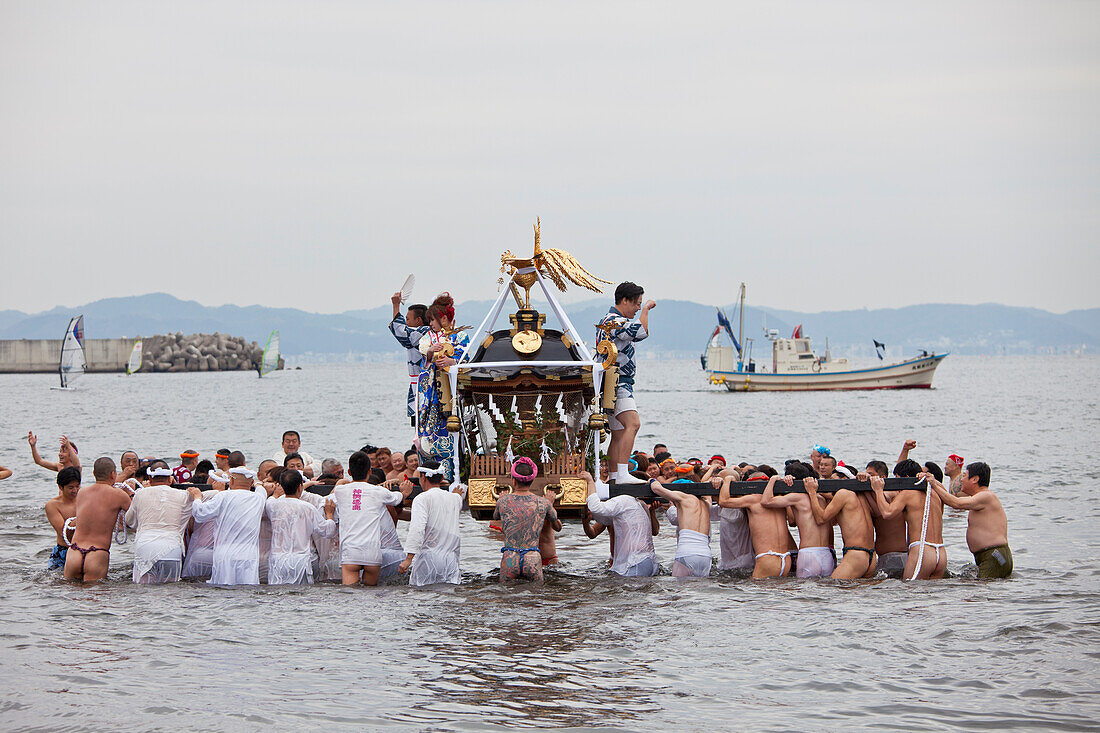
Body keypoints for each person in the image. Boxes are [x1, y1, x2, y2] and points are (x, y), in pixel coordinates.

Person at [597, 282, 656, 484]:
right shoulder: (613, 321)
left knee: (619, 432)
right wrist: (648, 309)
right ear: (625, 300)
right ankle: (622, 473)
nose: (638, 308)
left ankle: (614, 475)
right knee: (633, 423)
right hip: (618, 383)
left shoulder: (609, 320)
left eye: (641, 305)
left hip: (611, 383)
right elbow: (641, 331)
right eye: (637, 303)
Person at [333, 451, 411, 586]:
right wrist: (404, 492)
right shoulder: (379, 492)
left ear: (349, 472)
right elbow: (397, 499)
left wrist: (341, 481)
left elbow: (336, 489)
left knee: (350, 593)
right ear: (370, 471)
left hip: (351, 552)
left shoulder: (341, 491)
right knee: (371, 594)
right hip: (372, 552)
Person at [926, 462, 1012, 579]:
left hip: (995, 555)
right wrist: (933, 482)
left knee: (980, 594)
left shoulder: (986, 496)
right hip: (990, 556)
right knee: (978, 590)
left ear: (975, 479)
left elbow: (955, 503)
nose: (961, 480)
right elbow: (951, 498)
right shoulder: (978, 498)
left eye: (964, 476)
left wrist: (934, 485)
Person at [416, 293, 469, 481]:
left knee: (453, 433)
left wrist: (452, 361)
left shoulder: (461, 335)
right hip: (433, 396)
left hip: (452, 393)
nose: (430, 324)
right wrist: (430, 355)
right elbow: (424, 364)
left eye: (432, 320)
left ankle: (452, 474)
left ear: (444, 318)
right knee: (429, 434)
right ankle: (430, 473)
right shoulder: (428, 338)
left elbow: (466, 360)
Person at [187, 466, 269, 585]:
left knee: (224, 591)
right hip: (248, 556)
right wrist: (258, 484)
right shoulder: (258, 498)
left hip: (225, 554)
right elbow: (261, 489)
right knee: (247, 592)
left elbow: (200, 513)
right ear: (251, 482)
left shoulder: (223, 496)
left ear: (231, 481)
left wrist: (197, 497)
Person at [399, 459, 466, 586]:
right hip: (451, 560)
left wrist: (408, 559)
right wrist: (456, 494)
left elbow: (417, 529)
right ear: (441, 479)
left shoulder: (422, 499)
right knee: (448, 598)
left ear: (423, 477)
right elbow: (457, 497)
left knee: (423, 599)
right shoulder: (455, 499)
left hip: (429, 558)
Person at [761, 463, 835, 578]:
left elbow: (766, 501)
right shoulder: (821, 498)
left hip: (809, 554)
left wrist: (773, 480)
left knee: (804, 593)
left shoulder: (796, 498)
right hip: (826, 554)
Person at [64, 457, 131, 583]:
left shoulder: (82, 492)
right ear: (113, 474)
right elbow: (134, 519)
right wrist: (130, 494)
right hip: (97, 553)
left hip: (74, 552)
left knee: (70, 598)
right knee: (97, 598)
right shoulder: (119, 495)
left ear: (94, 473)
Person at [124, 462, 194, 584]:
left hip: (145, 547)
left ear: (150, 478)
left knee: (143, 591)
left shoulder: (140, 493)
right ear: (170, 478)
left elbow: (129, 521)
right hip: (171, 549)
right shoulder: (183, 495)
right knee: (171, 591)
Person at [265, 469, 337, 585]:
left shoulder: (273, 505)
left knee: (277, 597)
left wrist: (274, 494)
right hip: (300, 561)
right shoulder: (307, 507)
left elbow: (271, 499)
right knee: (302, 598)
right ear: (300, 487)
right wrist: (329, 515)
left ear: (282, 486)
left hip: (277, 560)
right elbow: (328, 531)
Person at [582, 470, 659, 576]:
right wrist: (586, 522)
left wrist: (590, 481)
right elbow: (595, 529)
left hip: (634, 561)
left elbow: (595, 507)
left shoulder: (624, 500)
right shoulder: (638, 504)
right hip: (647, 560)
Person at [493, 458, 558, 582]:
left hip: (510, 557)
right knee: (536, 596)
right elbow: (555, 521)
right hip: (532, 556)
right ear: (532, 481)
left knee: (504, 596)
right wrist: (550, 504)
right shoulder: (543, 503)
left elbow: (496, 517)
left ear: (513, 480)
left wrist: (502, 499)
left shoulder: (503, 502)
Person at [718, 473, 793, 579]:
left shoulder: (753, 499)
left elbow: (723, 501)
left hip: (767, 558)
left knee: (754, 593)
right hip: (786, 559)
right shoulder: (780, 500)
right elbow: (792, 521)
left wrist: (727, 480)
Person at [803, 476, 878, 579]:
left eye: (833, 479)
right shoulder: (861, 494)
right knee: (860, 592)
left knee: (831, 587)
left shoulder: (843, 493)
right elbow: (834, 521)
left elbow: (821, 519)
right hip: (871, 556)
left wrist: (812, 493)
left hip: (855, 554)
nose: (830, 483)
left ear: (843, 479)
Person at [649, 478, 712, 578]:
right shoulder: (707, 503)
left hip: (687, 552)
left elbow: (656, 488)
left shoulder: (685, 498)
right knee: (701, 590)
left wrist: (652, 480)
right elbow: (707, 484)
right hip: (705, 555)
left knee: (680, 590)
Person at [389, 292, 430, 426]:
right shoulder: (427, 332)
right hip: (418, 384)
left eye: (408, 319)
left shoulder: (424, 332)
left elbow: (401, 332)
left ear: (418, 320)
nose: (406, 323)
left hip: (424, 386)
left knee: (423, 427)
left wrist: (396, 306)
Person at [863, 459, 908, 578]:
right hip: (886, 557)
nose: (869, 478)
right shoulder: (875, 495)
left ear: (882, 477)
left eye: (871, 475)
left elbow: (886, 499)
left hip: (895, 557)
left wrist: (875, 489)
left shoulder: (892, 493)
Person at [181, 479, 224, 581]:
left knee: (193, 585)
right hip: (224, 555)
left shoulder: (202, 497)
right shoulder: (237, 499)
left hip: (201, 552)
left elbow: (190, 525)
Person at [44, 466, 81, 571]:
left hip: (83, 548)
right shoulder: (52, 505)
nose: (75, 490)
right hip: (63, 551)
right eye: (71, 487)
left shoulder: (84, 499)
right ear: (60, 487)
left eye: (77, 486)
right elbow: (63, 532)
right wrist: (84, 514)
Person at [538, 486, 563, 567]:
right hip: (527, 558)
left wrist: (549, 506)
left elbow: (558, 528)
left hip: (549, 559)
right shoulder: (520, 508)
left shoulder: (548, 508)